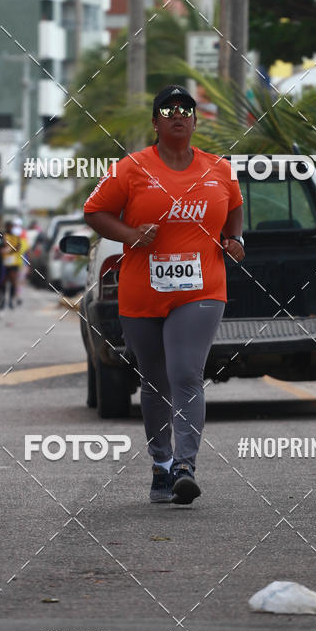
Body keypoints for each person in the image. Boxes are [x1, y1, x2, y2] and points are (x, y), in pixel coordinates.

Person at [83, 84, 245, 505]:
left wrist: (234, 238)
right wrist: (130, 235)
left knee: (186, 373)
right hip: (143, 292)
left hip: (202, 289)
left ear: (195, 121)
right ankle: (161, 464)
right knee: (154, 381)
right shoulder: (130, 168)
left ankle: (185, 467)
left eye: (185, 110)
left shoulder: (220, 169)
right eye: (169, 110)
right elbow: (94, 211)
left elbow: (234, 207)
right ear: (155, 122)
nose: (178, 116)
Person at [1, 221, 26, 309]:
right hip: (4, 262)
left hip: (13, 262)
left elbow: (18, 247)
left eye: (11, 227)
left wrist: (10, 250)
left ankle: (10, 300)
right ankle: (3, 300)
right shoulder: (3, 235)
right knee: (3, 282)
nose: (9, 228)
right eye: (8, 226)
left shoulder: (16, 237)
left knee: (13, 282)